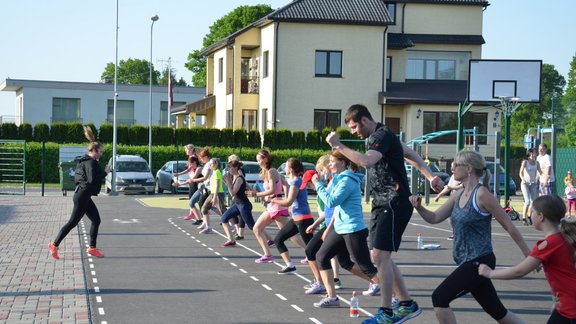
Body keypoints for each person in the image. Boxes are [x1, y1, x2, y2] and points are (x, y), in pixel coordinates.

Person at [325, 104, 444, 323]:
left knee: (380, 256)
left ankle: (386, 312)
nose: (354, 132)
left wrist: (339, 145)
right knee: (380, 257)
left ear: (364, 120)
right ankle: (406, 303)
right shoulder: (384, 137)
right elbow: (409, 154)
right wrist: (429, 176)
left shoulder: (381, 134)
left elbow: (366, 161)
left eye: (354, 127)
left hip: (394, 201)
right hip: (382, 202)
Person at [410, 150, 530, 324]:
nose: (452, 168)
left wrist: (529, 254)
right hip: (466, 260)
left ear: (469, 169)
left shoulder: (482, 195)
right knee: (497, 311)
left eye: (456, 165)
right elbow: (434, 218)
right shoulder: (458, 194)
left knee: (440, 297)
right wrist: (419, 208)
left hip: (480, 261)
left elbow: (509, 225)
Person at [478, 194, 576, 323]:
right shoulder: (565, 237)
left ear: (541, 216)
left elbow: (519, 271)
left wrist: (489, 273)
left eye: (533, 212)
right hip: (567, 304)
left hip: (571, 309)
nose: (531, 215)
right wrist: (557, 300)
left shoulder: (548, 244)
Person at [310, 151, 380, 309]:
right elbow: (334, 206)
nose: (329, 165)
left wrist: (317, 184)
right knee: (323, 256)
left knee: (365, 266)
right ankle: (332, 297)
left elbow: (331, 201)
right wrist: (328, 228)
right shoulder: (338, 179)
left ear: (343, 162)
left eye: (332, 161)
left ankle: (394, 293)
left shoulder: (347, 180)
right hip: (340, 227)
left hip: (353, 229)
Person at [49, 126, 111, 259]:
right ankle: (54, 245)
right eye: (100, 152)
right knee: (72, 222)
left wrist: (103, 171)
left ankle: (92, 248)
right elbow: (92, 179)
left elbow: (91, 176)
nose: (101, 154)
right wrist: (105, 172)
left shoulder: (87, 161)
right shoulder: (90, 163)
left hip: (83, 196)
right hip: (82, 196)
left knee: (96, 220)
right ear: (94, 151)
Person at [248, 149, 304, 263]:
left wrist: (257, 194)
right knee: (257, 229)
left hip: (276, 207)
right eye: (257, 160)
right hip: (273, 206)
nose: (258, 162)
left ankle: (309, 251)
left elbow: (273, 189)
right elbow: (286, 185)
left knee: (290, 235)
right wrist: (285, 198)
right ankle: (267, 254)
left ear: (266, 159)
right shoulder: (270, 172)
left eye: (259, 160)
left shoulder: (272, 171)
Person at [270, 158, 315, 274]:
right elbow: (287, 190)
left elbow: (288, 202)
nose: (284, 168)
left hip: (304, 219)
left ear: (290, 169)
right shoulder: (294, 181)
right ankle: (290, 265)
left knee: (312, 250)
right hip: (296, 219)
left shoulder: (296, 182)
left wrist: (274, 200)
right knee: (278, 239)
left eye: (286, 166)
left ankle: (325, 274)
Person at [220, 160, 255, 247]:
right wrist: (225, 180)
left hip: (244, 205)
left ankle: (270, 240)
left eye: (230, 167)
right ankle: (231, 240)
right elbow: (230, 188)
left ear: (235, 168)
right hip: (237, 204)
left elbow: (232, 193)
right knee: (224, 218)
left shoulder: (239, 178)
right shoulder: (234, 177)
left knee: (253, 227)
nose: (229, 170)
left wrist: (227, 181)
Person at [198, 158, 226, 234]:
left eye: (211, 164)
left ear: (216, 164)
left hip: (217, 194)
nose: (210, 165)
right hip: (212, 193)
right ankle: (208, 227)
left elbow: (217, 185)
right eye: (209, 163)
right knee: (204, 208)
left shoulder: (217, 172)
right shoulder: (214, 172)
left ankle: (234, 225)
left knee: (223, 210)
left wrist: (214, 197)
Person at [188, 147, 214, 226]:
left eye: (202, 158)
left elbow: (205, 177)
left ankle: (225, 218)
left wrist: (194, 180)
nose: (201, 160)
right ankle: (204, 222)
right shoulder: (206, 164)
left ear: (205, 157)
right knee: (200, 204)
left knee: (206, 205)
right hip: (203, 187)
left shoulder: (209, 164)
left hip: (208, 188)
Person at [175, 155, 202, 222]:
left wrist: (180, 183)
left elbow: (192, 179)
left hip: (202, 188)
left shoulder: (199, 169)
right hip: (197, 187)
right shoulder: (192, 168)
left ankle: (223, 215)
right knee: (192, 203)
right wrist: (179, 177)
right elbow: (189, 176)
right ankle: (199, 219)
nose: (189, 165)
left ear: (194, 162)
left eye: (190, 163)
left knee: (205, 206)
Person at [519, 148, 541, 225]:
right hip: (525, 184)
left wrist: (545, 178)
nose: (535, 154)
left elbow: (540, 172)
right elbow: (520, 172)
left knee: (533, 202)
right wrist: (523, 179)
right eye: (534, 152)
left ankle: (529, 216)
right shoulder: (525, 162)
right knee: (527, 201)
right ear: (530, 153)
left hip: (533, 184)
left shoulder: (537, 163)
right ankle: (524, 218)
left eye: (535, 153)